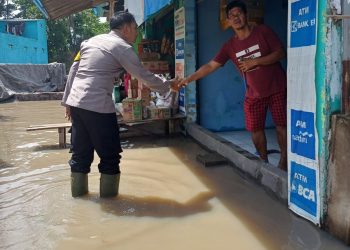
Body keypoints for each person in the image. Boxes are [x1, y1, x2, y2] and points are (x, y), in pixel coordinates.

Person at [62, 11, 179, 198]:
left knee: (80, 156)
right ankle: (110, 207)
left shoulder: (90, 42)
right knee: (110, 158)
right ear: (125, 29)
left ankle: (79, 201)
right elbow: (142, 75)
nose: (136, 34)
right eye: (134, 29)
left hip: (76, 103)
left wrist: (66, 101)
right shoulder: (122, 47)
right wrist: (168, 85)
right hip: (98, 106)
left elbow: (73, 70)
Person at [178, 0, 287, 171]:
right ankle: (264, 163)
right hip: (254, 93)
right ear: (228, 21)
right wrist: (188, 79)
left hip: (277, 88)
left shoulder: (262, 31)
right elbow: (210, 66)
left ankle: (284, 162)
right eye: (231, 16)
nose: (236, 18)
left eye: (239, 14)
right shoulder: (230, 46)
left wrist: (256, 61)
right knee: (255, 129)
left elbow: (280, 52)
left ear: (246, 15)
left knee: (282, 126)